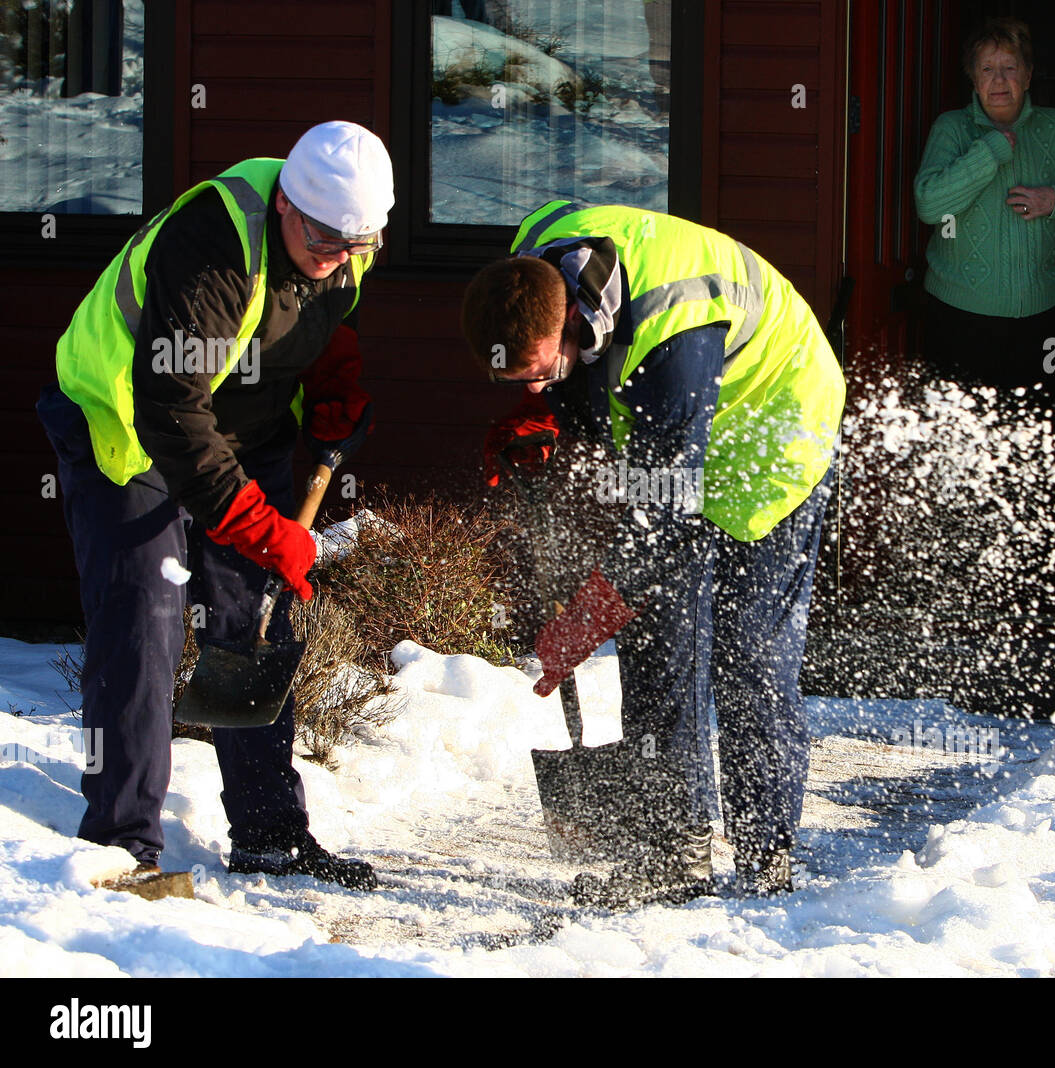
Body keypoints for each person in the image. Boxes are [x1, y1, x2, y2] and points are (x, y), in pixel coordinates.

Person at [36, 120, 393, 889]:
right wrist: (263, 528)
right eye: (328, 243)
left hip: (246, 425)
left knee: (250, 621)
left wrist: (336, 381)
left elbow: (328, 315)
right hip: (128, 423)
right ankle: (123, 843)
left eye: (357, 248)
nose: (341, 261)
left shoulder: (345, 240)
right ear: (289, 211)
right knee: (147, 617)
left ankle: (270, 833)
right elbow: (172, 414)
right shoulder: (213, 247)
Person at [462, 201, 845, 907]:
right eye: (515, 379)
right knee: (657, 638)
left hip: (772, 424)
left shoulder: (671, 331)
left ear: (572, 323)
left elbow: (664, 521)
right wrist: (541, 413)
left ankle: (766, 856)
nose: (533, 386)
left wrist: (585, 621)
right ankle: (672, 847)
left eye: (538, 373)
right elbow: (595, 412)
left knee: (747, 648)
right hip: (674, 430)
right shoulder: (530, 268)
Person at [913, 16, 1055, 392]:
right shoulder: (952, 128)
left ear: (1028, 76)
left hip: (1043, 319)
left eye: (1010, 68)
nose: (999, 80)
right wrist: (989, 151)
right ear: (973, 78)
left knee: (1035, 436)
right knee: (961, 440)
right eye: (987, 69)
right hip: (961, 319)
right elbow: (929, 205)